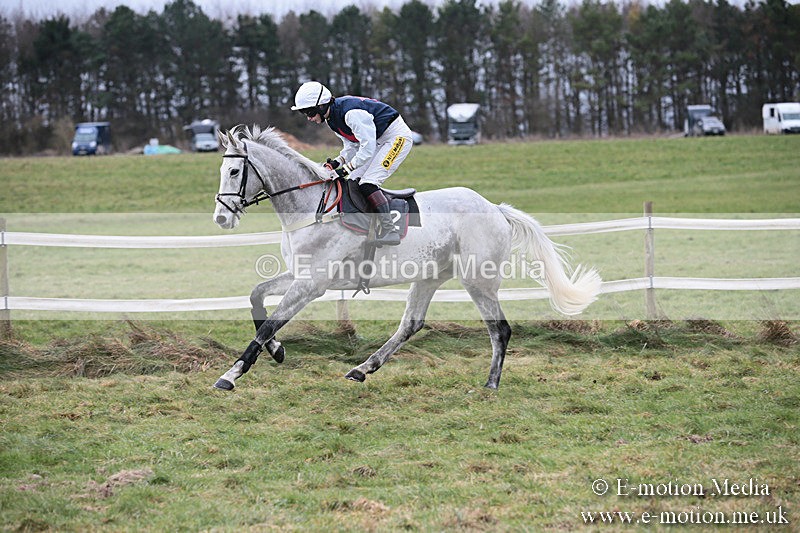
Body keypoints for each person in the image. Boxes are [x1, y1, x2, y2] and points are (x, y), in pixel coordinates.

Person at [291, 81, 413, 246]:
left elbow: (367, 149)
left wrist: (345, 169)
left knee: (369, 183)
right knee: (353, 182)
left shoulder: (351, 114)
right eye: (304, 113)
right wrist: (336, 163)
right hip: (375, 141)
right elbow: (352, 146)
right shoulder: (331, 118)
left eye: (310, 112)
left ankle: (390, 230)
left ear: (321, 106)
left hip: (395, 138)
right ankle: (366, 224)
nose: (309, 118)